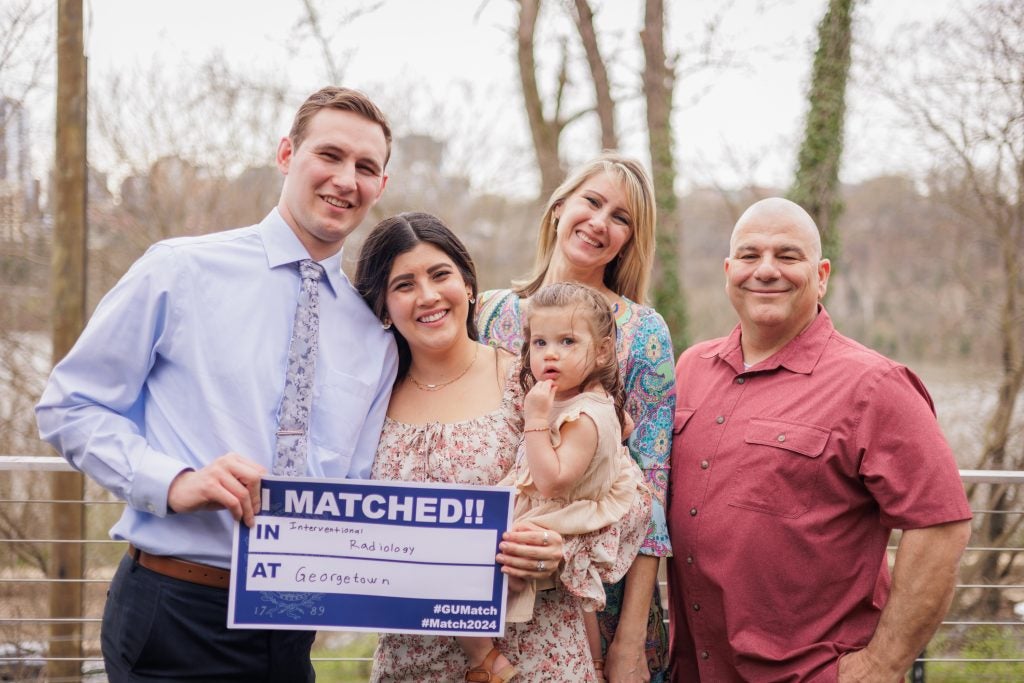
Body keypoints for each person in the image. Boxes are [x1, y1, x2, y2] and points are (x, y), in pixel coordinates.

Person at [35, 86, 398, 681]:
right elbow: (69, 406)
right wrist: (172, 481)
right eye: (328, 155)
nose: (345, 179)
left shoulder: (375, 337)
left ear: (380, 187)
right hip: (173, 609)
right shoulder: (178, 270)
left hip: (292, 623)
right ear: (286, 155)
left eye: (366, 167)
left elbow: (355, 486)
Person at [667, 197, 973, 681]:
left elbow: (941, 526)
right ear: (728, 271)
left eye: (787, 256)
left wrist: (883, 664)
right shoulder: (690, 368)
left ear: (822, 273)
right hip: (691, 670)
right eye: (750, 256)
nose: (765, 270)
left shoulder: (875, 386)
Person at [355, 213, 649, 682]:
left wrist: (562, 550)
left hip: (535, 656)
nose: (428, 296)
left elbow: (631, 499)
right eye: (404, 284)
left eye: (440, 274)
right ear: (384, 307)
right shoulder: (364, 401)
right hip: (412, 663)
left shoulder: (531, 385)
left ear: (468, 286)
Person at [478, 153, 675, 682]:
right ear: (560, 206)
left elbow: (651, 488)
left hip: (601, 595)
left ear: (630, 239)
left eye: (621, 218)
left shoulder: (642, 332)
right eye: (592, 201)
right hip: (494, 581)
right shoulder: (492, 314)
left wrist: (629, 639)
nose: (600, 222)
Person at [463, 282, 652, 677]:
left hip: (560, 510)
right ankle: (593, 662)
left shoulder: (582, 417)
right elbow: (624, 427)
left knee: (484, 563)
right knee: (575, 597)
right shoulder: (584, 397)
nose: (551, 353)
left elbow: (551, 482)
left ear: (602, 350)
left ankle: (484, 657)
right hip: (562, 502)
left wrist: (534, 420)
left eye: (567, 341)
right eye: (539, 342)